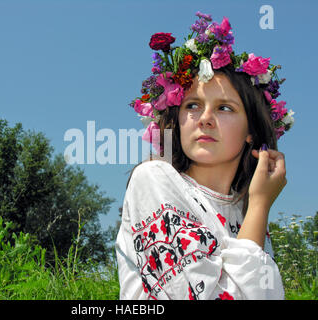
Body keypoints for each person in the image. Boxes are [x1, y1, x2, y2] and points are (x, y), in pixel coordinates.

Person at [115, 12, 295, 300]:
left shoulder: (245, 213)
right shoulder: (154, 179)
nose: (205, 119)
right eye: (193, 105)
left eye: (225, 108)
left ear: (251, 130)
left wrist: (257, 206)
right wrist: (261, 205)